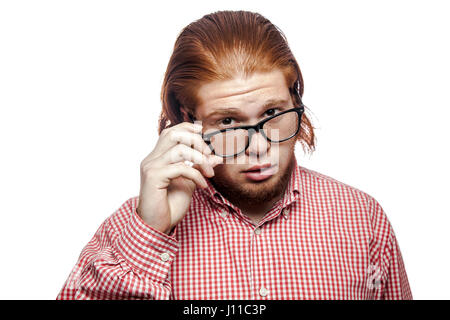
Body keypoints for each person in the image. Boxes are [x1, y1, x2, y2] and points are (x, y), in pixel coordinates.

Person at [57, 10, 412, 300]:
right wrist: (150, 231)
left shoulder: (362, 219)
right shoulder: (130, 231)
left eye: (273, 114)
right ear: (186, 120)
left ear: (296, 100)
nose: (259, 147)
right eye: (228, 122)